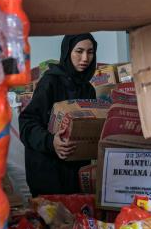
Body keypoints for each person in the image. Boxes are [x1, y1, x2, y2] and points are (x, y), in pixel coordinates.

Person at [19, 34, 97, 196]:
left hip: (75, 171)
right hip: (48, 172)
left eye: (90, 52)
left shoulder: (88, 89)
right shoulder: (50, 82)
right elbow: (27, 123)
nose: (85, 58)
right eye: (79, 51)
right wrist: (50, 142)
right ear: (67, 52)